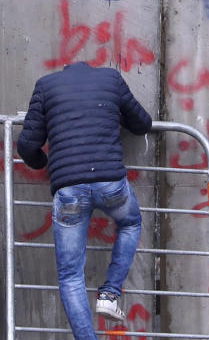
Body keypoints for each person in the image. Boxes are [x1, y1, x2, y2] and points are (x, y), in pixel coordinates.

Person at [18, 62, 152, 339]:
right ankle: (110, 293)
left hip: (68, 190)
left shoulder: (45, 86)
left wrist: (46, 164)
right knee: (130, 223)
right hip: (111, 182)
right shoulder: (111, 78)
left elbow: (28, 145)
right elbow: (142, 124)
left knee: (70, 276)